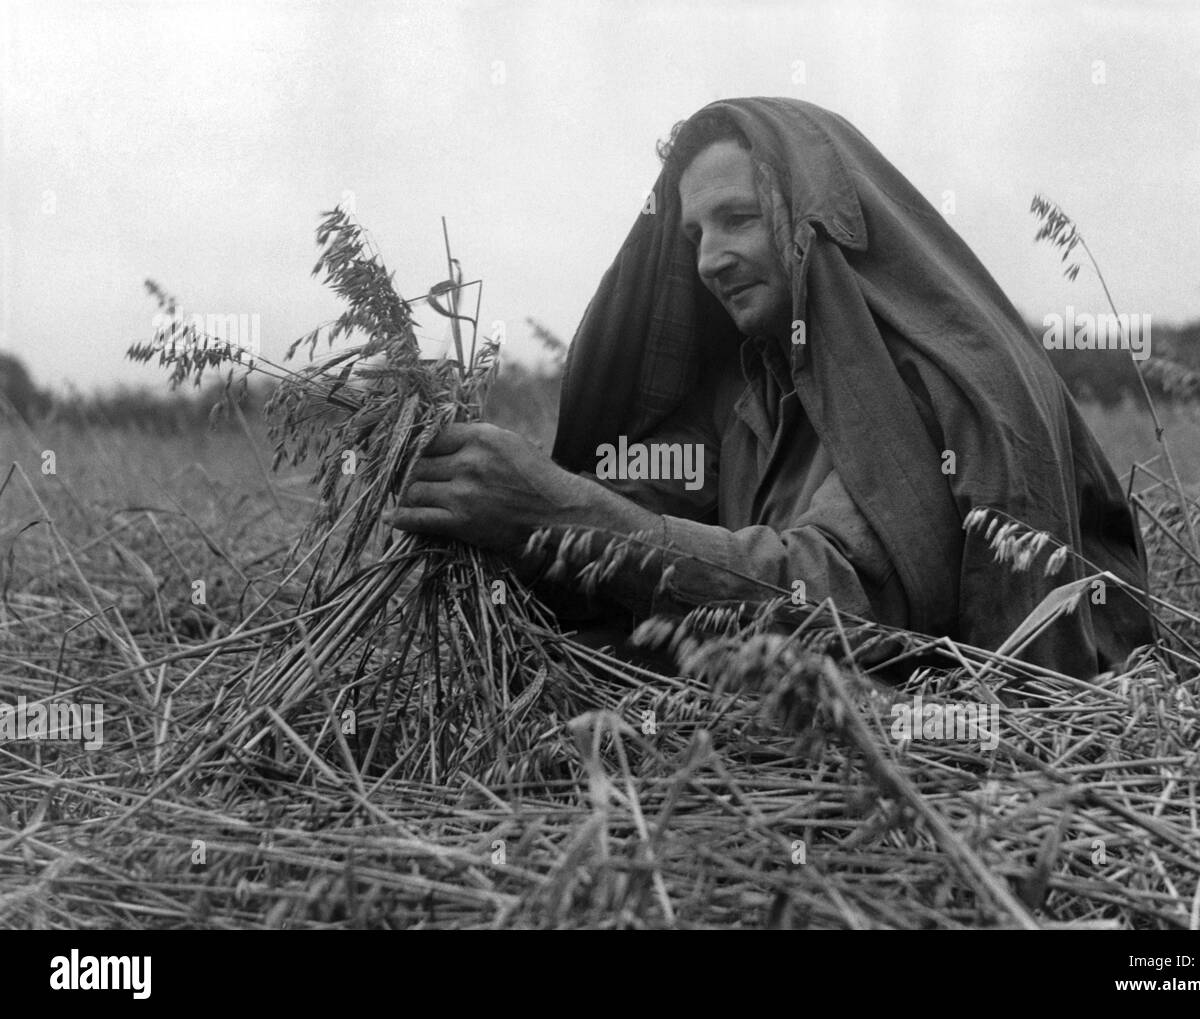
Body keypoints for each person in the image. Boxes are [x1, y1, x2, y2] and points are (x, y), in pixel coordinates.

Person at [389, 97, 1153, 679]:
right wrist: (493, 487)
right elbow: (648, 488)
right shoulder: (752, 377)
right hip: (822, 697)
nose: (709, 260)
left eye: (738, 219)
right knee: (581, 662)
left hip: (940, 727)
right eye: (694, 235)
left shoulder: (922, 381)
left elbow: (833, 593)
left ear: (810, 224)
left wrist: (556, 510)